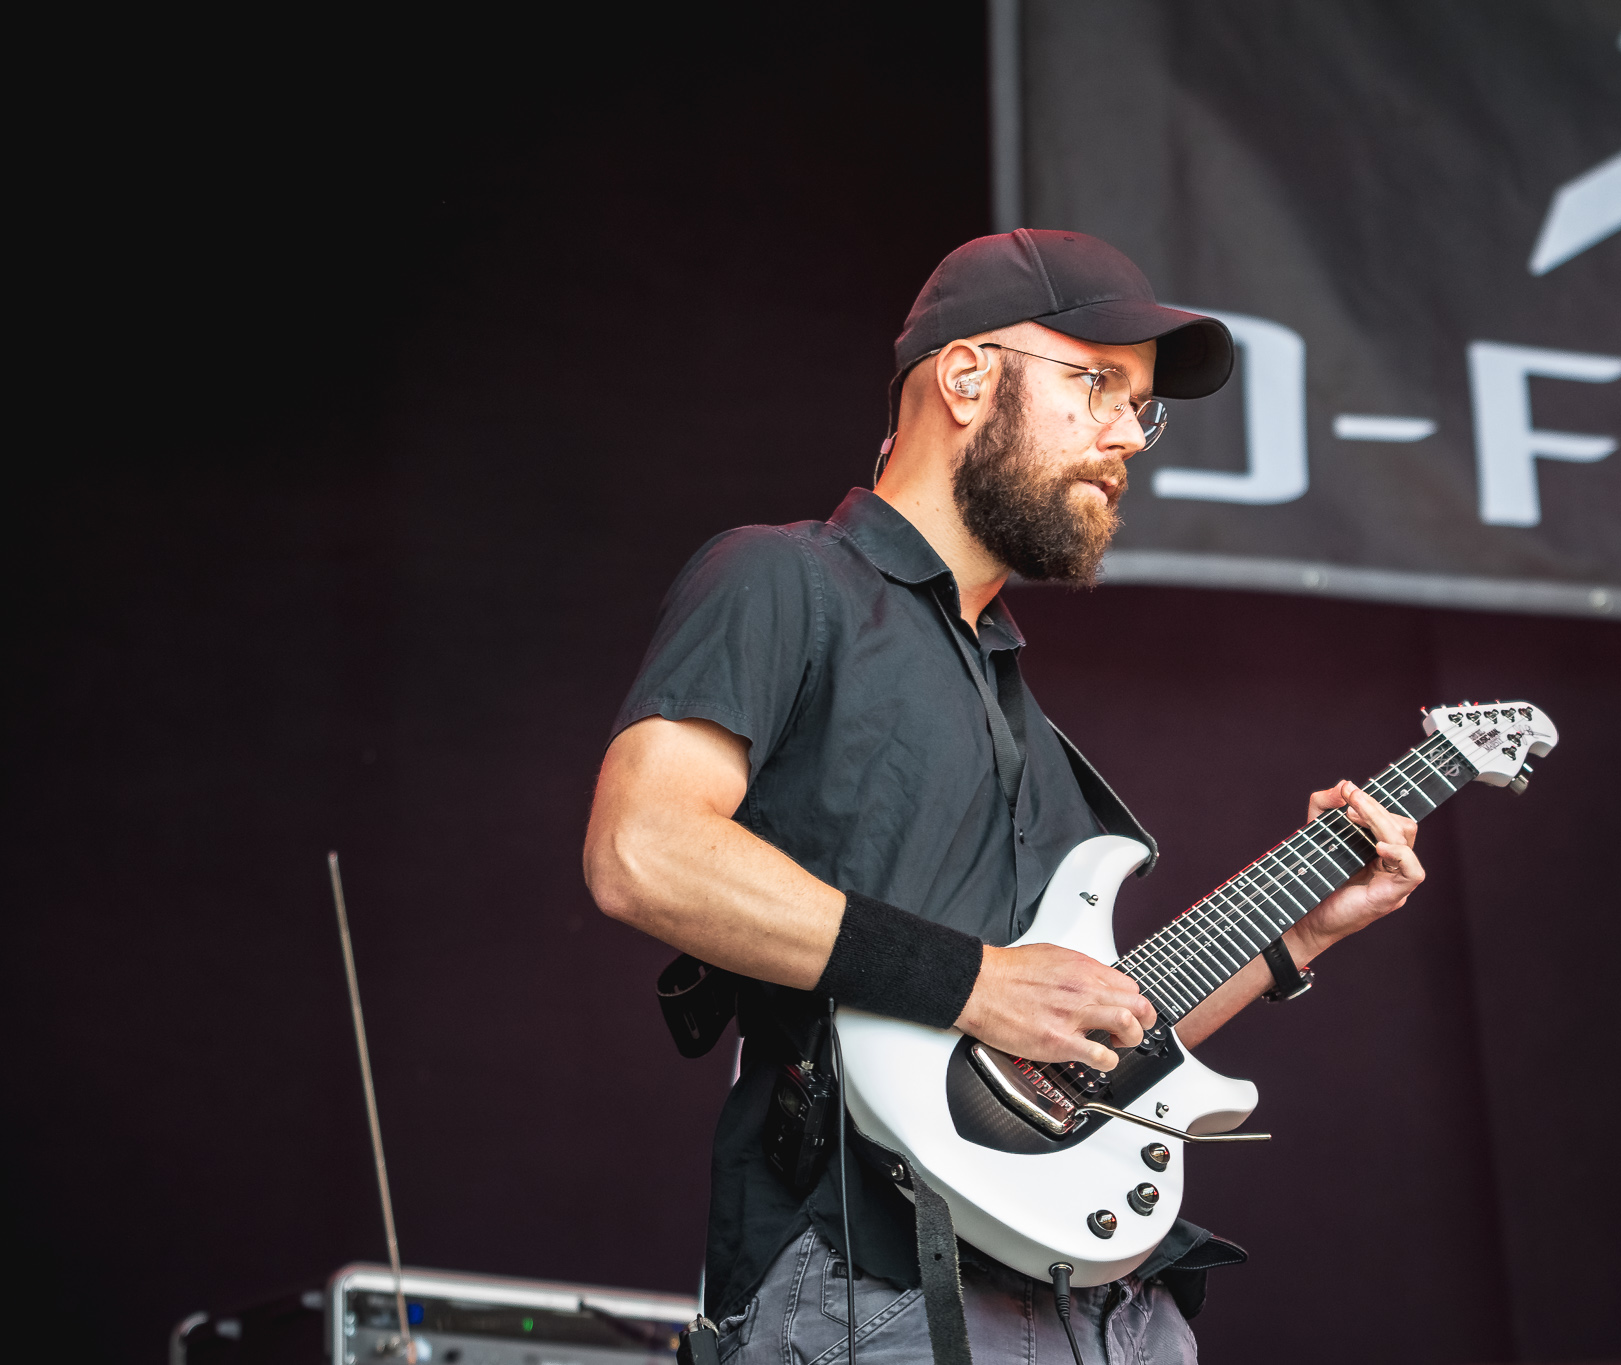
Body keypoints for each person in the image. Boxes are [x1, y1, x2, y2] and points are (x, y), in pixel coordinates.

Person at [583, 230, 1426, 1364]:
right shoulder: (783, 579)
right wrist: (976, 982)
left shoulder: (1016, 704)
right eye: (1096, 386)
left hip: (1110, 1309)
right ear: (967, 377)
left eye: (1140, 408)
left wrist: (1295, 940)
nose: (1127, 434)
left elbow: (1071, 1034)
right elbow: (644, 851)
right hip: (873, 1282)